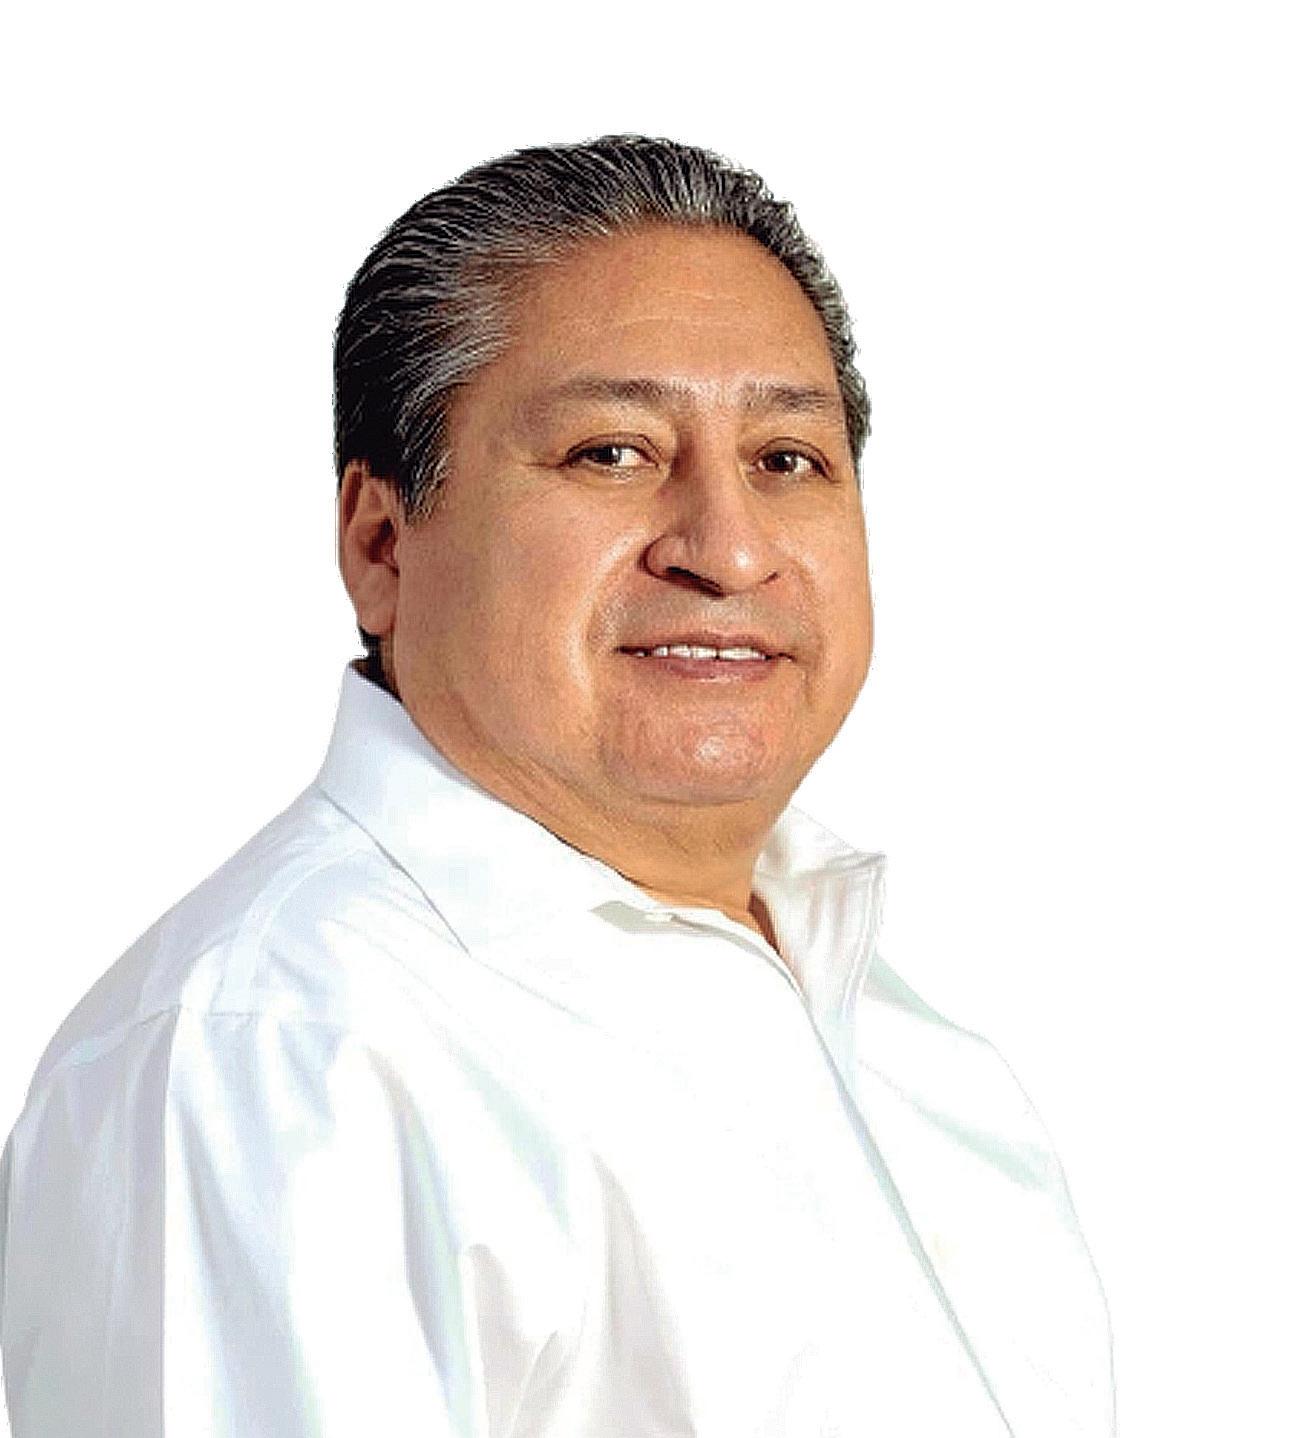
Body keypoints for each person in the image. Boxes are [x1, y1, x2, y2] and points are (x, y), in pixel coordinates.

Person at [0, 136, 1114, 1436]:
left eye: (786, 459)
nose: (729, 549)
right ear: (380, 544)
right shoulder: (277, 1056)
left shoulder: (921, 1059)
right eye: (611, 452)